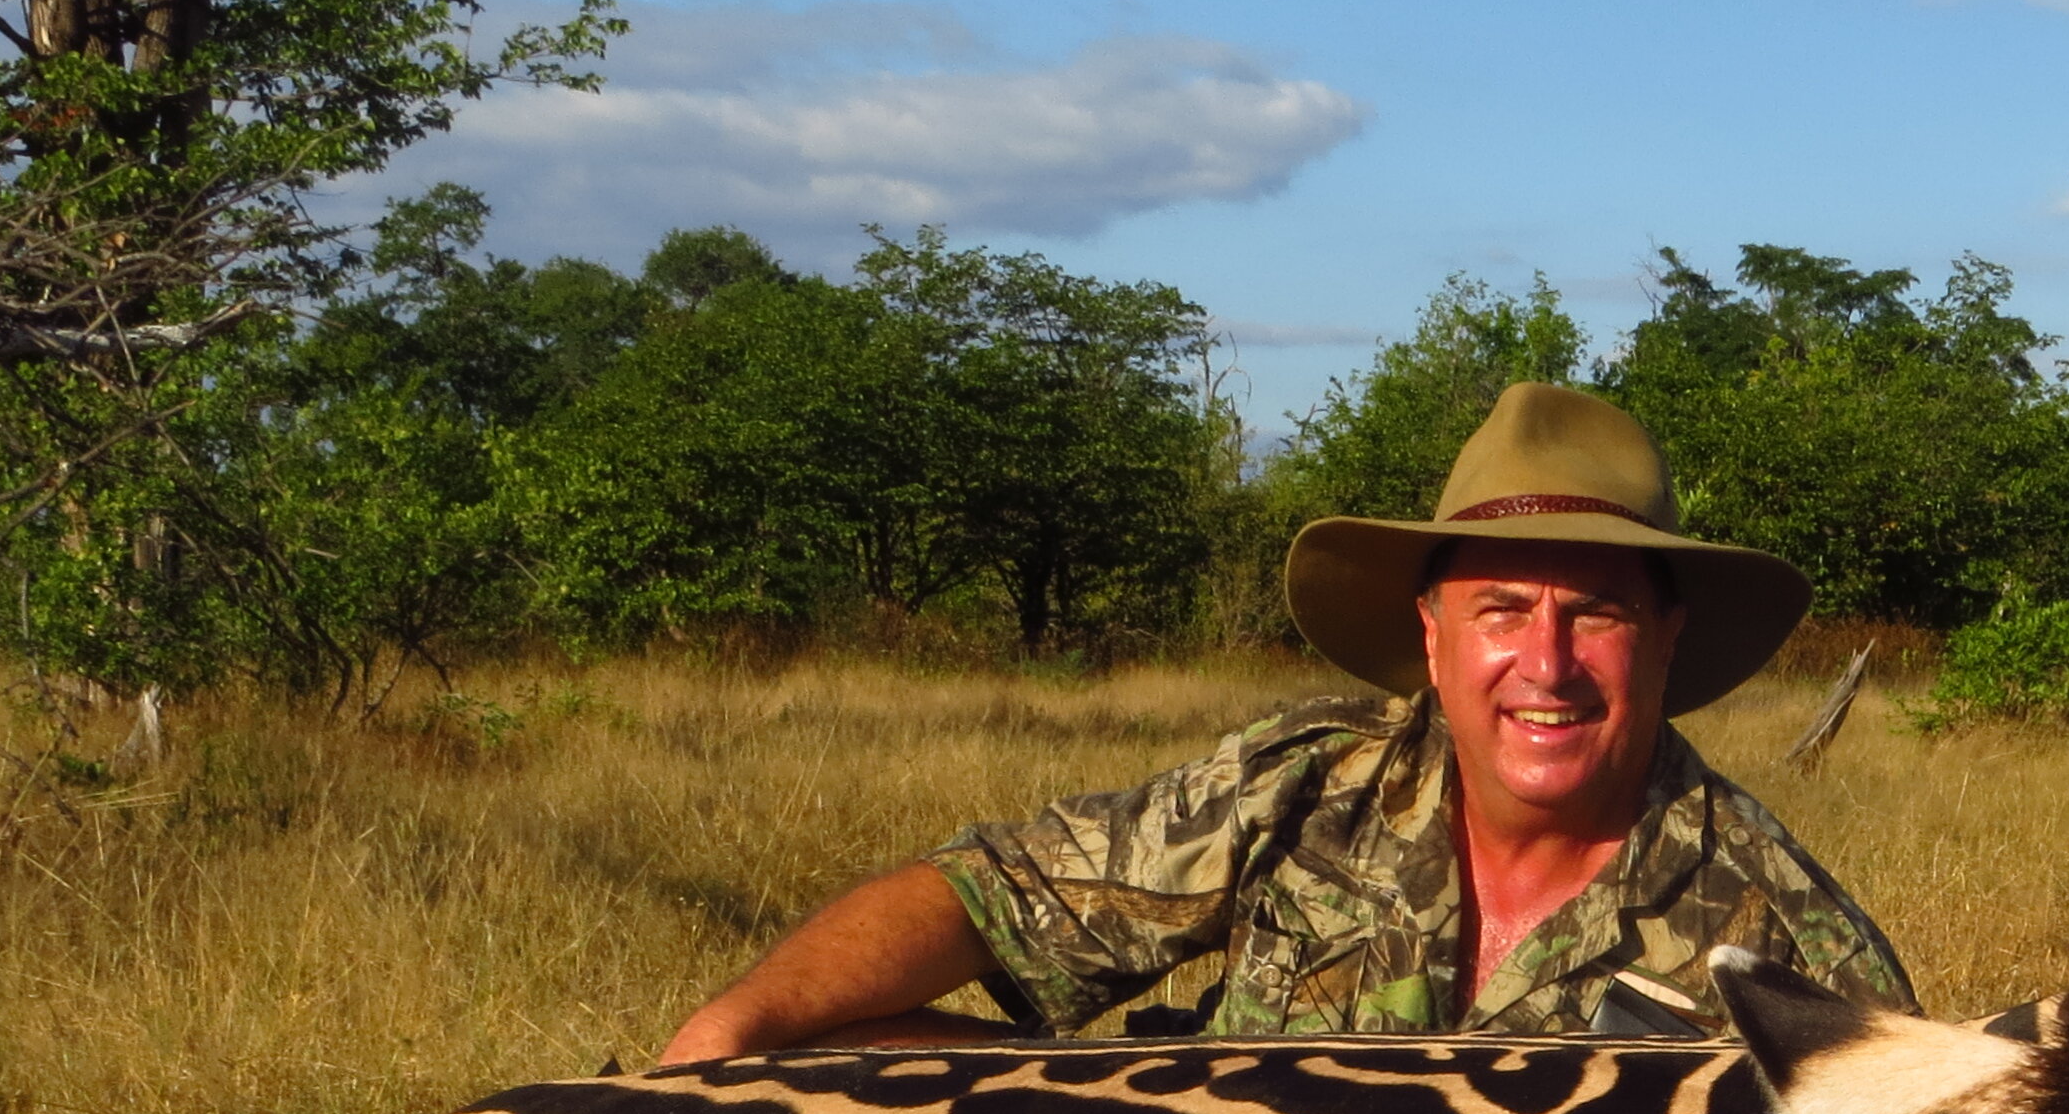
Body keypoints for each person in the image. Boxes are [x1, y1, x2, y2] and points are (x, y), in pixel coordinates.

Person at [657, 383, 1915, 1061]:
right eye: (1499, 611)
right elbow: (996, 893)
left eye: (1594, 614)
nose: (1545, 663)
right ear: (1429, 633)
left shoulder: (1790, 949)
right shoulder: (1307, 784)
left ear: (1667, 637)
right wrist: (744, 1027)